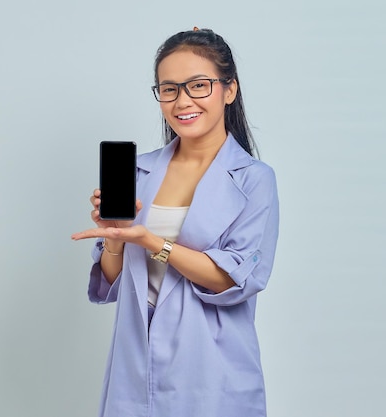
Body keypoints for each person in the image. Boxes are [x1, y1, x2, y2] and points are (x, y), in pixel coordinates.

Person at [72, 27, 279, 417]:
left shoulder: (254, 179)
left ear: (229, 90)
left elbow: (232, 279)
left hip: (209, 366)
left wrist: (152, 242)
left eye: (198, 85)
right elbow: (115, 278)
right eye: (169, 89)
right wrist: (115, 238)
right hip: (135, 361)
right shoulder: (141, 171)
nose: (183, 100)